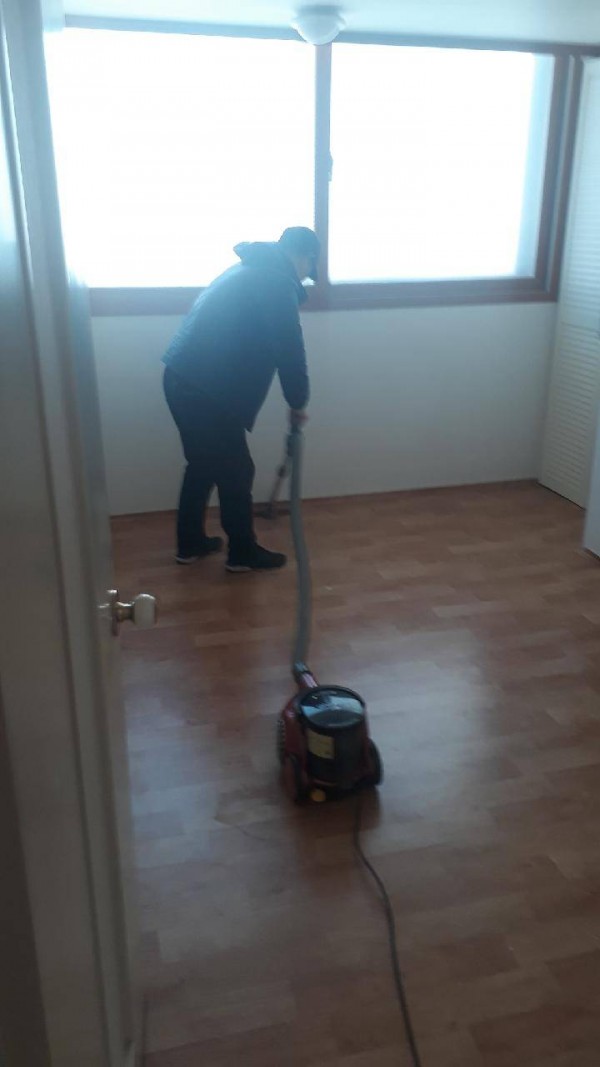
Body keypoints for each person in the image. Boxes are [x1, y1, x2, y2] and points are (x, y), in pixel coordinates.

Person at [163, 226, 319, 572]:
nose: (306, 276)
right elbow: (290, 350)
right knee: (236, 470)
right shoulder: (276, 282)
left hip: (181, 378)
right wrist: (298, 402)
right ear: (305, 256)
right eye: (310, 268)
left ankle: (189, 543)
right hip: (208, 390)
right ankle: (242, 553)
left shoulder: (248, 269)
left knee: (202, 464)